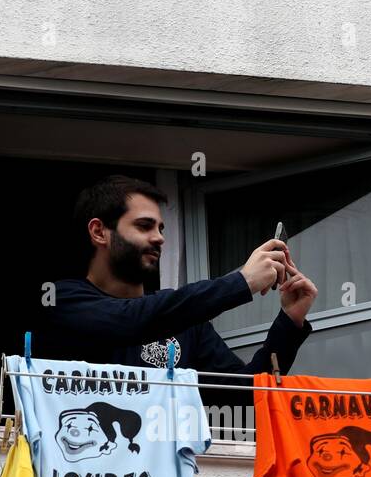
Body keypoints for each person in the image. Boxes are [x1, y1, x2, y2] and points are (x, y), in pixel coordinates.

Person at [28, 175, 317, 410]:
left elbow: (244, 393)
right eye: (144, 226)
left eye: (161, 228)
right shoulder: (61, 300)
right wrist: (241, 282)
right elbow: (130, 321)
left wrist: (288, 324)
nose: (159, 237)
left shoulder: (185, 322)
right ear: (99, 232)